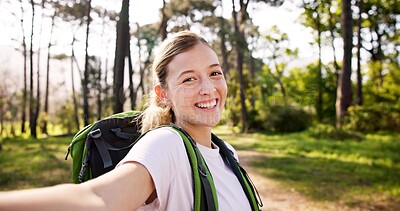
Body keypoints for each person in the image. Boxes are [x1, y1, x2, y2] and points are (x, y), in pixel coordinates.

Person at [0, 30, 256, 210]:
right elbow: (100, 200)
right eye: (189, 79)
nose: (208, 88)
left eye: (214, 73)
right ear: (163, 95)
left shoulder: (226, 153)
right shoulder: (168, 144)